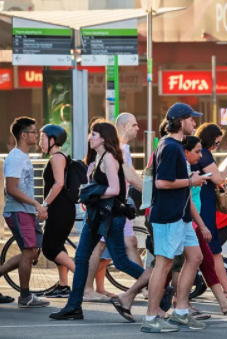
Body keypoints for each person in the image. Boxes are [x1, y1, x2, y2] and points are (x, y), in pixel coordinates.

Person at [50, 120, 151, 321]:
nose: (90, 137)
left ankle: (160, 287)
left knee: (121, 261)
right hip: (100, 217)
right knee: (81, 258)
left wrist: (92, 194)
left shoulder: (109, 159)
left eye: (94, 134)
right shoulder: (101, 157)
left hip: (110, 217)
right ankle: (73, 306)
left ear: (103, 138)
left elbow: (115, 189)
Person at [142, 103, 210, 333]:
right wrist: (192, 181)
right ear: (181, 121)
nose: (195, 123)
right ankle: (151, 318)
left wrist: (190, 180)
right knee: (164, 265)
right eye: (192, 119)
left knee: (195, 256)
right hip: (168, 215)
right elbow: (162, 183)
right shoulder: (171, 146)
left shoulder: (171, 144)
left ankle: (181, 311)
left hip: (178, 215)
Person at [182, 135, 227, 315]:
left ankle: (223, 300)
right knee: (172, 265)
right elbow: (215, 181)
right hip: (188, 219)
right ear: (186, 152)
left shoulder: (189, 165)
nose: (201, 155)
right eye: (197, 152)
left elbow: (214, 182)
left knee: (205, 259)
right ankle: (179, 304)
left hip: (195, 218)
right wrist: (202, 225)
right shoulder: (190, 164)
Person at [0, 117, 49, 307]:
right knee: (29, 252)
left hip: (26, 211)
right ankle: (25, 296)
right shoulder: (15, 158)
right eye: (34, 132)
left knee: (32, 253)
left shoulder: (24, 156)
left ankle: (25, 296)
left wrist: (34, 207)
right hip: (17, 211)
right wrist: (36, 205)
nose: (37, 135)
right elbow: (11, 188)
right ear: (23, 135)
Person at [39, 124, 76, 298]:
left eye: (42, 138)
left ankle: (83, 278)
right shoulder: (59, 156)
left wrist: (44, 204)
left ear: (53, 140)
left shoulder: (56, 157)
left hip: (60, 209)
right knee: (58, 246)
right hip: (62, 209)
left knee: (49, 248)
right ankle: (63, 286)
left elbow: (59, 183)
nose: (40, 142)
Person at [115, 113, 143, 267]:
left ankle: (146, 286)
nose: (138, 128)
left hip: (121, 204)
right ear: (124, 126)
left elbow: (133, 174)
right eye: (134, 125)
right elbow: (131, 178)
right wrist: (151, 194)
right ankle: (87, 287)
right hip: (114, 205)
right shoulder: (120, 149)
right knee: (100, 248)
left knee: (131, 242)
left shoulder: (124, 148)